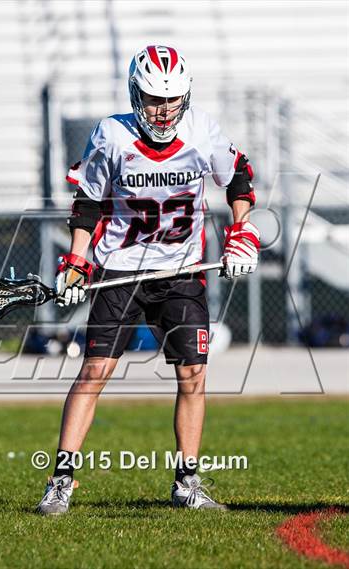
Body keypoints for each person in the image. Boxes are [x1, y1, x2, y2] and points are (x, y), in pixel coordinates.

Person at [36, 45, 260, 514]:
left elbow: (238, 175)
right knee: (95, 371)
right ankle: (61, 481)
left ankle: (187, 483)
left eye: (172, 99)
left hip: (181, 270)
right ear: (136, 95)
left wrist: (242, 231)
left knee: (193, 373)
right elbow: (88, 203)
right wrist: (76, 261)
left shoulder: (201, 130)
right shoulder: (112, 135)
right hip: (120, 269)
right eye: (155, 99)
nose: (164, 110)